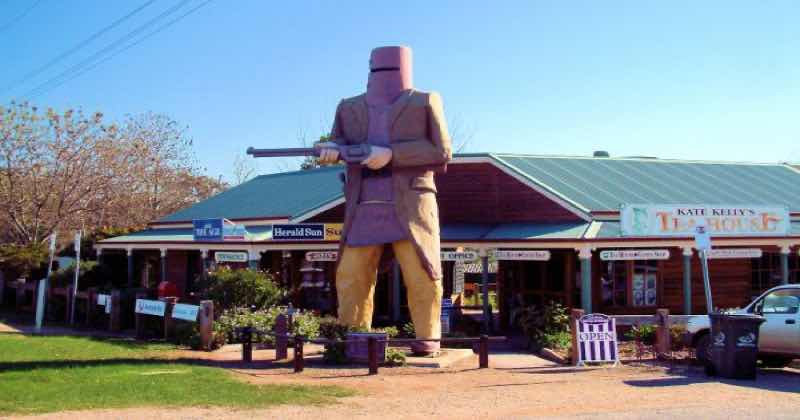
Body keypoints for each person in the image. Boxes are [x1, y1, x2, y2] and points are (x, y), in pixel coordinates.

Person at [317, 46, 452, 355]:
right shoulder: (348, 107)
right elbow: (338, 142)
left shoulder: (425, 101)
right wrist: (330, 149)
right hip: (363, 206)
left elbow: (442, 151)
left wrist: (392, 154)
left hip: (411, 206)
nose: (383, 75)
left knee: (423, 273)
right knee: (351, 274)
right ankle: (352, 338)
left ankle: (428, 337)